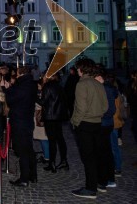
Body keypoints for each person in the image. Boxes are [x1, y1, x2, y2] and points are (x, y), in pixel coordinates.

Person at [70, 58, 108, 199]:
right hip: (97, 123)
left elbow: (81, 107)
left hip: (85, 123)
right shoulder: (98, 83)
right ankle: (100, 182)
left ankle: (90, 188)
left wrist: (75, 122)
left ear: (81, 69)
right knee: (97, 154)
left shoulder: (82, 84)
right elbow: (105, 106)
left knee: (88, 157)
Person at [3, 66, 38, 187]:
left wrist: (7, 89)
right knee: (29, 148)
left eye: (17, 74)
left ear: (21, 74)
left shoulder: (23, 86)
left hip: (20, 121)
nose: (16, 76)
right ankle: (33, 175)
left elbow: (11, 99)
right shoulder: (31, 84)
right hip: (27, 120)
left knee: (23, 150)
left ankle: (24, 179)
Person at [40, 73, 69, 173]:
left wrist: (36, 97)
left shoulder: (47, 86)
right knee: (60, 139)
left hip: (50, 116)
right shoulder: (59, 85)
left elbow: (43, 102)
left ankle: (52, 163)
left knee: (52, 140)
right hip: (58, 116)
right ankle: (64, 161)